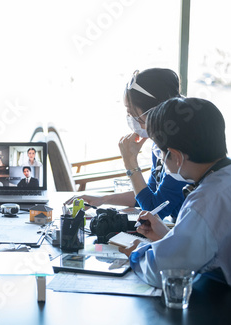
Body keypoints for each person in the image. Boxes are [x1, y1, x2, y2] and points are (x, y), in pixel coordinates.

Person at [120, 97, 231, 288]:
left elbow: (167, 272)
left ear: (177, 156)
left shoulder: (206, 199)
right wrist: (168, 238)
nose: (161, 158)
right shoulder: (223, 181)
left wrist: (139, 253)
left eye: (161, 153)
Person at [67, 68, 189, 220]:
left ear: (155, 109)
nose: (130, 118)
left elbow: (154, 210)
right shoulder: (158, 145)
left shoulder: (179, 152)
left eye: (132, 112)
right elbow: (149, 192)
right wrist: (103, 199)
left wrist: (130, 163)